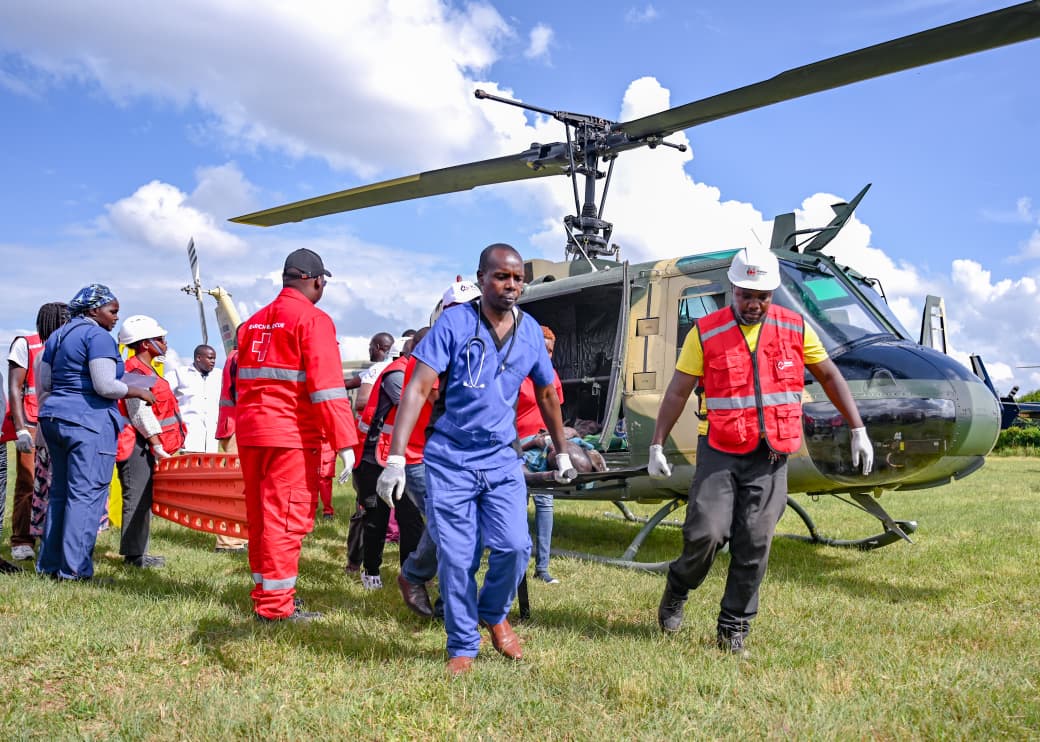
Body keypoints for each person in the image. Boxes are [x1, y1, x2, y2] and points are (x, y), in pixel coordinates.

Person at [649, 247, 874, 656]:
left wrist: (857, 427)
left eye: (762, 296)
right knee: (706, 533)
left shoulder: (796, 329)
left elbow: (829, 376)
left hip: (771, 453)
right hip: (719, 447)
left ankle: (733, 627)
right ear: (732, 289)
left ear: (773, 293)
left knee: (754, 541)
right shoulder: (705, 333)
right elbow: (679, 390)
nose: (753, 304)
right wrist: (656, 444)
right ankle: (678, 586)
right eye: (745, 295)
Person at [377, 244, 576, 676]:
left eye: (518, 278)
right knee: (458, 554)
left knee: (514, 547)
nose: (511, 286)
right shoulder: (454, 323)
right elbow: (416, 388)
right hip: (451, 458)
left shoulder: (530, 332)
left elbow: (545, 393)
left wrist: (562, 452)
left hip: (502, 457)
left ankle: (493, 611)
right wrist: (395, 459)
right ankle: (463, 645)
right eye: (502, 277)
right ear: (482, 278)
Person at [236, 248, 358, 622]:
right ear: (316, 280)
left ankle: (266, 594)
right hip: (289, 433)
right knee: (285, 520)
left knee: (260, 517)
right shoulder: (313, 320)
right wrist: (346, 443)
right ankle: (276, 607)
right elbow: (328, 389)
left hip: (251, 433)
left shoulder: (252, 323)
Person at [36, 284, 155, 581]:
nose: (116, 318)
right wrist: (138, 390)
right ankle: (75, 570)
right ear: (93, 310)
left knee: (61, 493)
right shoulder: (97, 336)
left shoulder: (57, 336)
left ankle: (50, 564)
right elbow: (104, 385)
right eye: (112, 311)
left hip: (54, 418)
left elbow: (47, 382)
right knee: (86, 496)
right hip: (88, 422)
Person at [113, 315, 185, 569]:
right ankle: (134, 556)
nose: (165, 344)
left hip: (146, 442)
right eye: (160, 339)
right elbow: (138, 410)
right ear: (145, 344)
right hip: (138, 443)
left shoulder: (147, 369)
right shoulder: (133, 370)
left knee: (144, 497)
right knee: (137, 496)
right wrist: (155, 442)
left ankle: (139, 551)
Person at [352, 346, 424, 590]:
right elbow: (413, 408)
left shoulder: (415, 374)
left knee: (411, 519)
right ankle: (370, 571)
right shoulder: (397, 375)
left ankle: (409, 575)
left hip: (403, 458)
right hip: (375, 458)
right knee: (376, 518)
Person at [2, 302, 68, 562]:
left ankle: (49, 536)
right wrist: (20, 429)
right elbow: (15, 389)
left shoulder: (69, 346)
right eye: (65, 318)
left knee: (55, 485)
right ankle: (21, 539)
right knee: (28, 483)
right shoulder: (26, 344)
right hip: (31, 424)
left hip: (59, 424)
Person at [515, 325, 565, 584]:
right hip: (518, 446)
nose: (547, 354)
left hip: (542, 447)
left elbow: (555, 410)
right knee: (517, 505)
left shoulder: (551, 376)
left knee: (545, 503)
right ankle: (517, 564)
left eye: (551, 350)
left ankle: (542, 567)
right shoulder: (517, 373)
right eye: (542, 349)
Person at [28, 304, 71, 548]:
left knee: (47, 491)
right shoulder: (55, 354)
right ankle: (57, 546)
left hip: (46, 431)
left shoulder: (43, 353)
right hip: (58, 432)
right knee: (57, 492)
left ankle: (50, 545)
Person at [167, 344, 221, 453]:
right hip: (189, 439)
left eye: (214, 358)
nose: (213, 361)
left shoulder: (219, 375)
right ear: (198, 358)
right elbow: (161, 392)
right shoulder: (180, 374)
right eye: (210, 358)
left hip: (212, 442)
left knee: (211, 469)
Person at [345, 332, 394, 413]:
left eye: (370, 346)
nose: (369, 349)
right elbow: (350, 383)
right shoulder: (394, 364)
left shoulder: (376, 369)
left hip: (372, 421)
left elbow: (361, 403)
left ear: (377, 347)